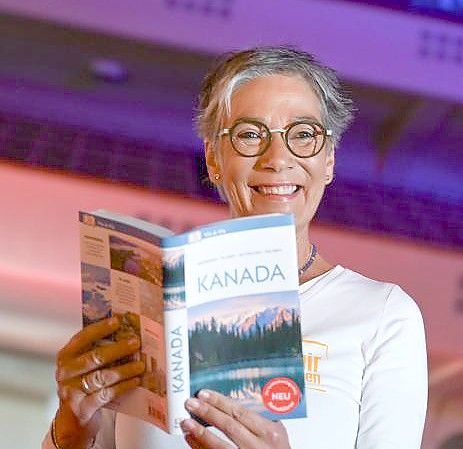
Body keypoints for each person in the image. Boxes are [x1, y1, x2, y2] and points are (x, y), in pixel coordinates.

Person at [44, 46, 427, 449]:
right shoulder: (147, 307)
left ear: (328, 160)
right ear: (213, 158)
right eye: (249, 135)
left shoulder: (381, 315)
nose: (278, 159)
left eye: (303, 135)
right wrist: (71, 426)